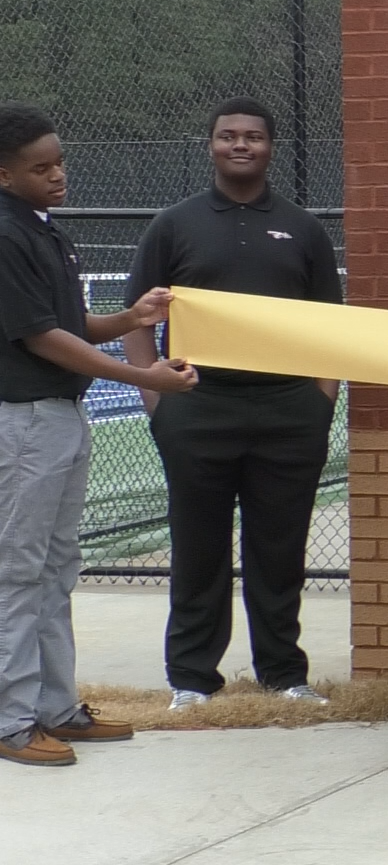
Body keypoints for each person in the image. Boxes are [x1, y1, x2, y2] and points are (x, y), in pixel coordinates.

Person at [121, 98, 344, 713]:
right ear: (210, 146)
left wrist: (318, 402)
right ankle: (192, 679)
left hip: (287, 414)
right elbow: (140, 316)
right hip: (197, 411)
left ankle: (283, 675)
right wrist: (154, 395)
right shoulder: (174, 224)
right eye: (227, 136)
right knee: (199, 548)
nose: (239, 145)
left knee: (279, 551)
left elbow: (331, 327)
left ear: (272, 147)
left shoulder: (303, 228)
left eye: (252, 137)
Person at [0, 105, 198, 767]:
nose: (58, 176)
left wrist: (129, 318)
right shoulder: (4, 234)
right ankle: (10, 720)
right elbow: (43, 338)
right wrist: (142, 372)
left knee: (56, 570)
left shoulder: (41, 230)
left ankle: (56, 708)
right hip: (24, 423)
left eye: (60, 162)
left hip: (57, 420)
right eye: (41, 168)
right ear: (3, 174)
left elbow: (72, 321)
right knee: (18, 572)